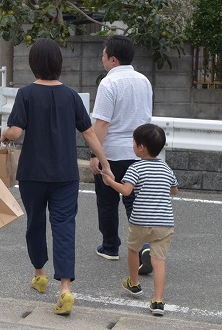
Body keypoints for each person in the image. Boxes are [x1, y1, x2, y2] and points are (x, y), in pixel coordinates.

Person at [1, 38, 114, 316]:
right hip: (65, 174)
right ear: (58, 64)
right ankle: (65, 288)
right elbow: (89, 133)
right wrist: (105, 162)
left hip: (32, 174)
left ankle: (39, 274)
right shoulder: (71, 96)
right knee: (64, 227)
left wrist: (4, 133)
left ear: (34, 64)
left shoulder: (26, 94)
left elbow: (15, 133)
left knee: (36, 223)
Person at [89, 35, 153, 273]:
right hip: (140, 152)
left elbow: (102, 124)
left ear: (113, 59)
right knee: (135, 202)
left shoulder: (108, 83)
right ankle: (144, 246)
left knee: (106, 201)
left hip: (113, 153)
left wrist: (95, 155)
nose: (102, 58)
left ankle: (110, 246)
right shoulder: (144, 81)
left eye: (104, 55)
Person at [101, 123, 178, 316]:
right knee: (159, 260)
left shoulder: (136, 168)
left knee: (133, 249)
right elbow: (174, 190)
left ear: (141, 147)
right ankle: (158, 301)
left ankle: (134, 283)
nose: (133, 146)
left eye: (134, 142)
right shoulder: (166, 168)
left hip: (140, 221)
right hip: (164, 222)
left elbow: (126, 191)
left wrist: (110, 181)